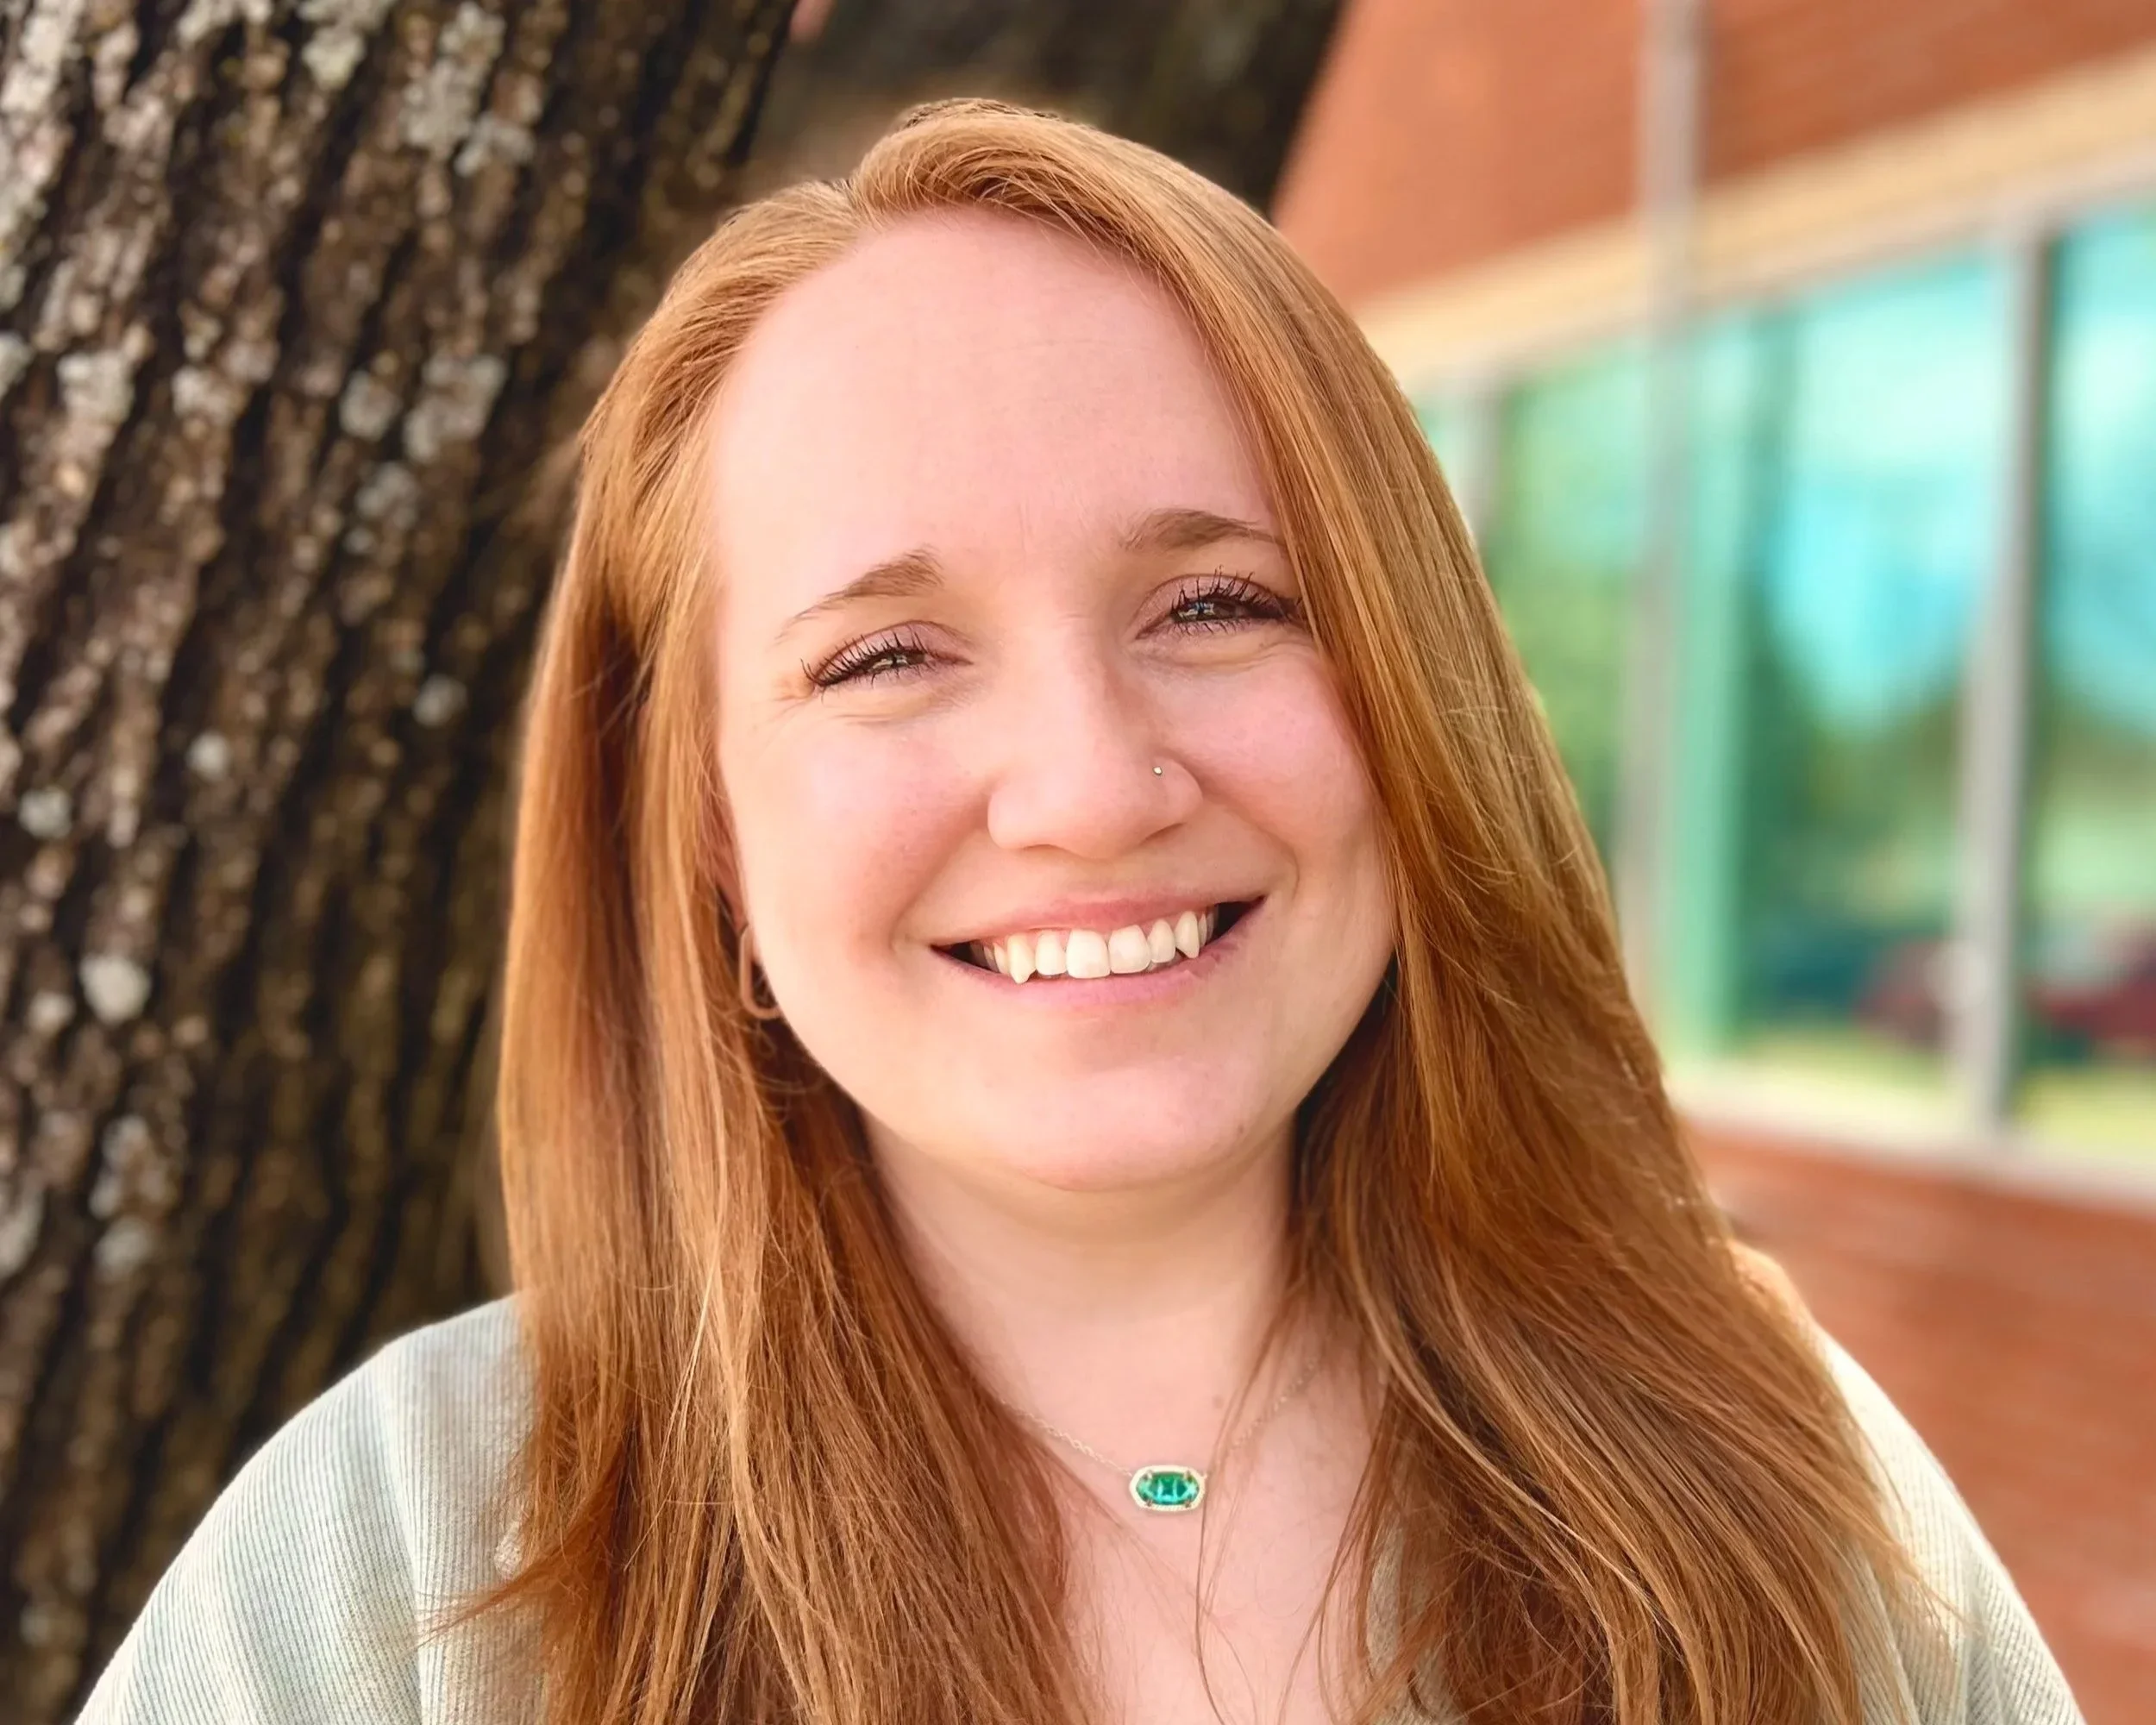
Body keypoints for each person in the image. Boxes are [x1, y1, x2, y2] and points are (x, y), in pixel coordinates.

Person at [78, 98, 2080, 1725]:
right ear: (702, 827)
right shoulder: (411, 1560)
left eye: (1216, 604)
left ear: (1409, 688)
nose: (1093, 790)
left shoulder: (1771, 1480)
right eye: (885, 655)